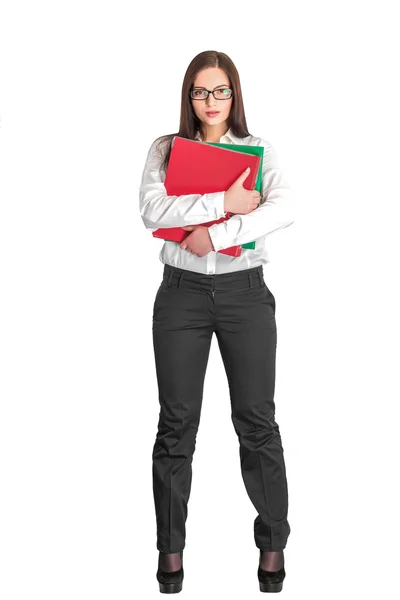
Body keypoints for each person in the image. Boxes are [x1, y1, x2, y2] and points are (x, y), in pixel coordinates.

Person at [139, 50, 295, 594]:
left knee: (257, 422)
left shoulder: (258, 150)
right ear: (189, 97)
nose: (211, 102)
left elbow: (285, 206)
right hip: (180, 297)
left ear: (235, 94)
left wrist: (218, 233)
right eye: (202, 92)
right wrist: (222, 202)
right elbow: (152, 211)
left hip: (244, 295)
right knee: (176, 425)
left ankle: (273, 542)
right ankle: (171, 547)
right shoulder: (165, 151)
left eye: (221, 91)